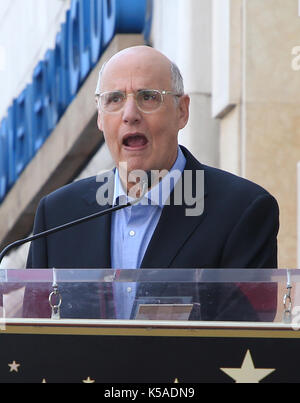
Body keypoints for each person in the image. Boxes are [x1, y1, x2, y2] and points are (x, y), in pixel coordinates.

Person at [25, 46, 279, 321]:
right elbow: (30, 342)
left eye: (148, 97)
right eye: (114, 99)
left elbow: (246, 345)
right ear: (100, 117)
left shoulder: (241, 211)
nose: (130, 114)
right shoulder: (58, 214)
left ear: (181, 111)